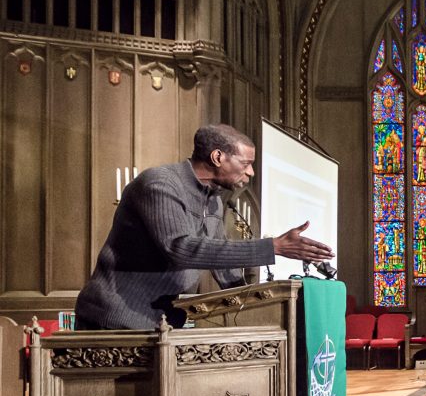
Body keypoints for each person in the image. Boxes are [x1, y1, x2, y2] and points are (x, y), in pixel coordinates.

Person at [75, 124, 333, 330]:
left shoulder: (214, 202)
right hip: (115, 320)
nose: (251, 172)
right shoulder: (160, 184)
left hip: (162, 324)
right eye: (246, 164)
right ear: (217, 157)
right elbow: (181, 249)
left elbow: (225, 268)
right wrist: (272, 247)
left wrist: (255, 300)